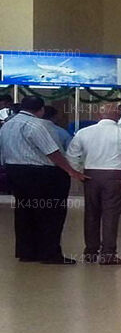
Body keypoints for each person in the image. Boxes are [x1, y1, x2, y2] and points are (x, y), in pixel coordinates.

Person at [0, 95, 84, 264]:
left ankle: (27, 252)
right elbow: (52, 151)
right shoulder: (37, 125)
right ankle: (49, 254)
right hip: (42, 174)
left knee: (25, 212)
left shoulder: (8, 124)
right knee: (50, 213)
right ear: (41, 109)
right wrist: (71, 171)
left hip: (15, 172)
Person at [66, 104, 121, 265]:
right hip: (116, 178)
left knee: (91, 214)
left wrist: (78, 172)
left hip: (90, 176)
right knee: (111, 216)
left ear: (99, 115)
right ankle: (108, 254)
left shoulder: (83, 132)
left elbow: (71, 155)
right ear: (118, 117)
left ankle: (90, 252)